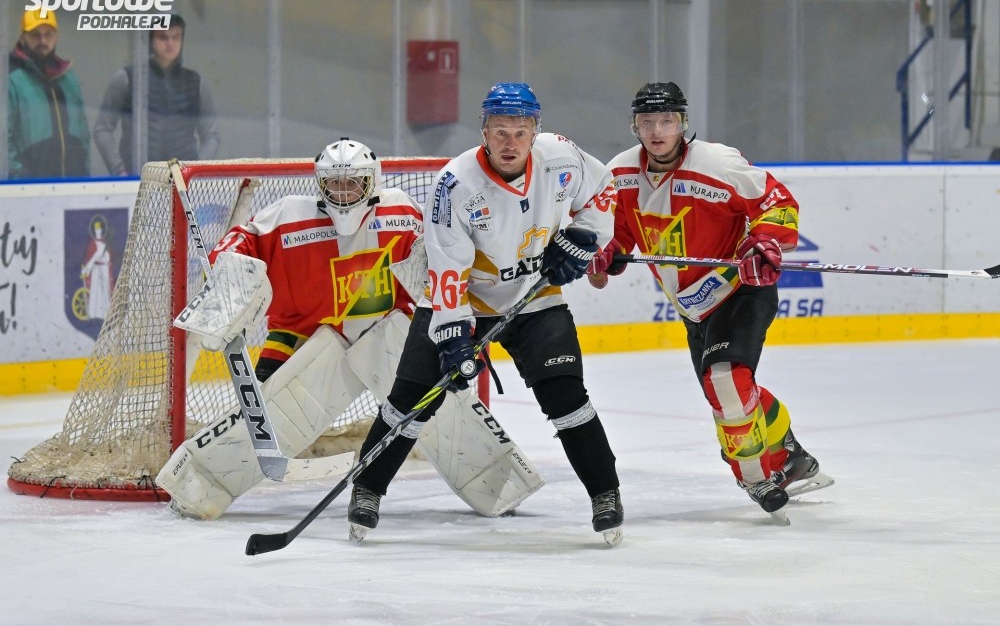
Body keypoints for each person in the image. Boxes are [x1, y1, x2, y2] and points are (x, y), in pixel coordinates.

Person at [157, 138, 542, 521]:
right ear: (320, 184)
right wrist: (226, 265)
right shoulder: (289, 214)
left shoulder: (401, 211)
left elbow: (442, 256)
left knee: (435, 405)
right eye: (335, 183)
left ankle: (499, 484)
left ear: (371, 181)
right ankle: (195, 486)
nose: (343, 192)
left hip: (386, 334)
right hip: (300, 337)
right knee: (263, 420)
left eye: (353, 182)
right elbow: (244, 239)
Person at [347, 82, 625, 546]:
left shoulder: (561, 156)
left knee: (566, 398)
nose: (510, 142)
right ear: (484, 132)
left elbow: (603, 189)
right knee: (411, 400)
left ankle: (606, 494)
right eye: (500, 132)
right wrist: (454, 336)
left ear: (535, 131)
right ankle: (367, 489)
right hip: (463, 300)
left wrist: (584, 237)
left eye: (520, 131)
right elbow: (446, 267)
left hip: (535, 296)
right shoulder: (454, 185)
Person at [589, 82, 832, 519]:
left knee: (725, 379)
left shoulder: (717, 163)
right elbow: (619, 228)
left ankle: (757, 477)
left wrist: (765, 241)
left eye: (667, 121)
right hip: (692, 303)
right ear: (634, 126)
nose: (657, 131)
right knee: (729, 392)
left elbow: (777, 202)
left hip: (742, 287)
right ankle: (790, 455)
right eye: (647, 122)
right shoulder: (620, 172)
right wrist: (606, 251)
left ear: (683, 123)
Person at [94, 15, 220, 176]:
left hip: (183, 180)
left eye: (176, 37)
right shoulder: (128, 78)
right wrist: (118, 170)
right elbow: (102, 129)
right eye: (163, 37)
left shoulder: (196, 82)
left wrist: (195, 171)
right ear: (151, 40)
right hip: (137, 177)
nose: (170, 43)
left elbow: (211, 135)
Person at [7, 9, 90, 179]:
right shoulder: (11, 79)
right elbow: (4, 137)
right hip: (28, 187)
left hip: (74, 183)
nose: (42, 40)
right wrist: (19, 175)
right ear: (23, 38)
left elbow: (83, 135)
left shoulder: (68, 79)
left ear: (56, 36)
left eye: (48, 34)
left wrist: (83, 173)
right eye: (35, 35)